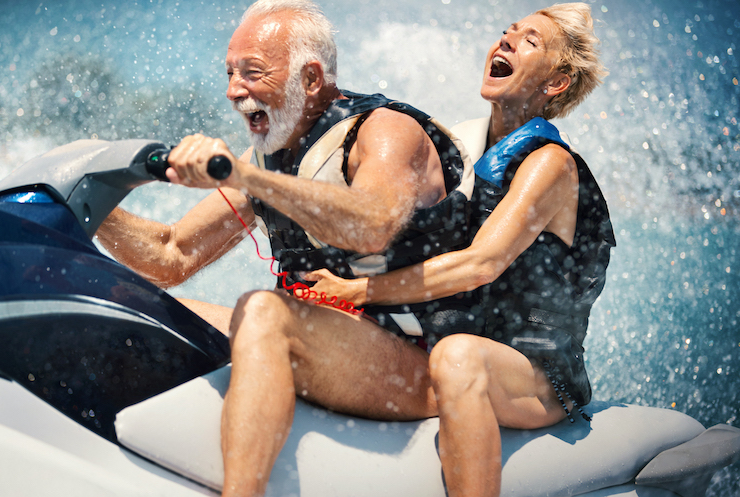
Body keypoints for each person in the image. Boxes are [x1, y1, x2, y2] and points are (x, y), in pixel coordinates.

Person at [96, 1, 473, 495]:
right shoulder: (271, 155)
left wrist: (246, 175)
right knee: (132, 307)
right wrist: (90, 201)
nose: (234, 91)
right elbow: (171, 255)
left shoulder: (384, 132)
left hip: (410, 362)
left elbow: (371, 225)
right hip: (319, 337)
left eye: (251, 72)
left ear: (311, 79)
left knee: (264, 311)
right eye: (230, 73)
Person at [305, 3, 615, 496]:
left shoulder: (551, 164)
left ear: (555, 83)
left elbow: (480, 264)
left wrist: (360, 290)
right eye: (507, 32)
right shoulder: (468, 148)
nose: (506, 42)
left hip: (540, 375)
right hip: (460, 341)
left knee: (456, 356)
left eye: (529, 41)